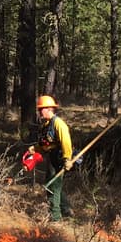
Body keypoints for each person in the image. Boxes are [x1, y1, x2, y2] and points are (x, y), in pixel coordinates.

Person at [29, 94, 74, 222]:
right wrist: (35, 148)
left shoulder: (59, 124)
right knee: (54, 185)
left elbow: (66, 142)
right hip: (51, 157)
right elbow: (46, 143)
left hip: (59, 159)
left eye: (41, 109)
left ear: (49, 109)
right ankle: (67, 210)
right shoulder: (46, 125)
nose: (39, 112)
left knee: (53, 186)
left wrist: (67, 159)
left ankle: (55, 217)